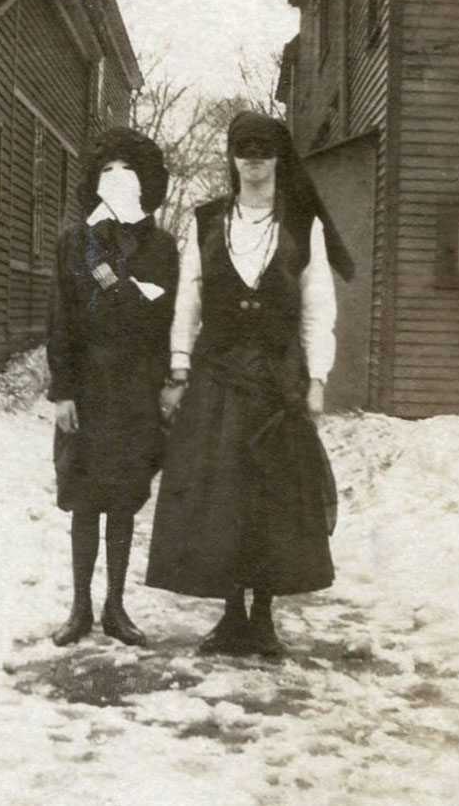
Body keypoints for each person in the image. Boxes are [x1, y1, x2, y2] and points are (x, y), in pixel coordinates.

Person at [146, 110, 354, 657]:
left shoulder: (301, 222)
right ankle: (230, 614)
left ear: (278, 157)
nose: (254, 159)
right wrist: (179, 365)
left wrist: (316, 378)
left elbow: (318, 307)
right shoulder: (207, 220)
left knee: (272, 498)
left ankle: (262, 618)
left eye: (264, 150)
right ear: (233, 157)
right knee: (221, 497)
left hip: (277, 380)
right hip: (217, 374)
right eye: (245, 149)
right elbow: (188, 299)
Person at [47, 127, 178, 648]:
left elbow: (165, 317)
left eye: (129, 169)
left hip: (136, 388)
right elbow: (61, 319)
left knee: (123, 499)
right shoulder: (75, 242)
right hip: (87, 385)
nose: (118, 178)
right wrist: (62, 390)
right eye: (107, 169)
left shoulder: (162, 246)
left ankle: (115, 608)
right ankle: (79, 607)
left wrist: (167, 383)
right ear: (93, 180)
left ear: (146, 181)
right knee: (83, 499)